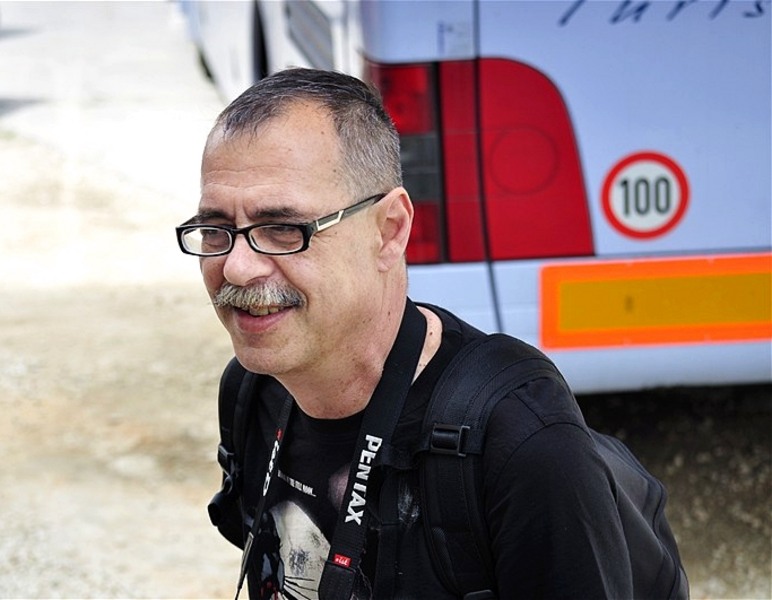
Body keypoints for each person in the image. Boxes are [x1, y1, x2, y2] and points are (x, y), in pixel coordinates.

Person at [176, 68, 634, 599]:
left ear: (390, 230)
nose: (236, 267)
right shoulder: (253, 391)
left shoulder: (522, 443)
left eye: (283, 229)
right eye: (216, 230)